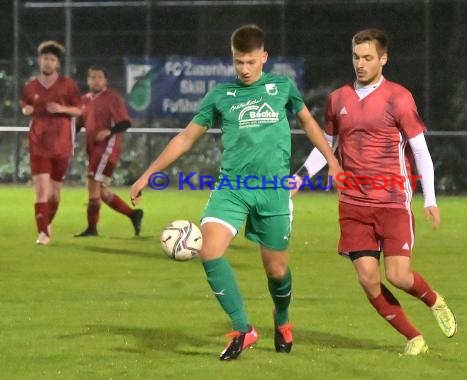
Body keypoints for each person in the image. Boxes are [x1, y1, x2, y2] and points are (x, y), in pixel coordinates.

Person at [130, 24, 341, 360]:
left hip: (273, 190)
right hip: (232, 187)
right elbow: (185, 138)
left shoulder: (282, 87)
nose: (244, 69)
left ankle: (282, 319)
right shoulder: (220, 96)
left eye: (250, 62)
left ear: (264, 58)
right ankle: (244, 329)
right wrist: (146, 175)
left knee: (277, 272)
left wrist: (332, 161)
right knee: (209, 251)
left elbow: (309, 123)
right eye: (238, 62)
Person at [294, 28, 457, 355]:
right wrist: (298, 178)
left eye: (368, 57)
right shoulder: (338, 98)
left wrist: (431, 199)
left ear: (383, 59)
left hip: (392, 201)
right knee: (368, 279)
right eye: (356, 56)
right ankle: (414, 337)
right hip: (353, 204)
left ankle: (434, 300)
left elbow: (421, 151)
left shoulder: (399, 97)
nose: (360, 63)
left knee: (398, 275)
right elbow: (327, 147)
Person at [21, 41, 83, 245]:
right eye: (45, 58)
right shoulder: (30, 86)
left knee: (55, 195)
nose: (48, 63)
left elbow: (79, 110)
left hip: (62, 145)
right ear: (40, 61)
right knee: (41, 191)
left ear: (57, 63)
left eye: (52, 59)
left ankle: (46, 224)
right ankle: (43, 234)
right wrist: (26, 111)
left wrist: (62, 109)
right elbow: (26, 106)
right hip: (38, 144)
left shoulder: (68, 85)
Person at [74, 66, 143, 237]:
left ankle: (92, 228)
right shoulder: (85, 100)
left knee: (92, 182)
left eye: (99, 77)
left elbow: (125, 123)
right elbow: (78, 124)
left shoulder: (112, 98)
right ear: (88, 80)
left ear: (105, 81)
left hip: (107, 148)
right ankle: (133, 214)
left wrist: (109, 131)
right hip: (93, 149)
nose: (95, 80)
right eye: (92, 77)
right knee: (101, 191)